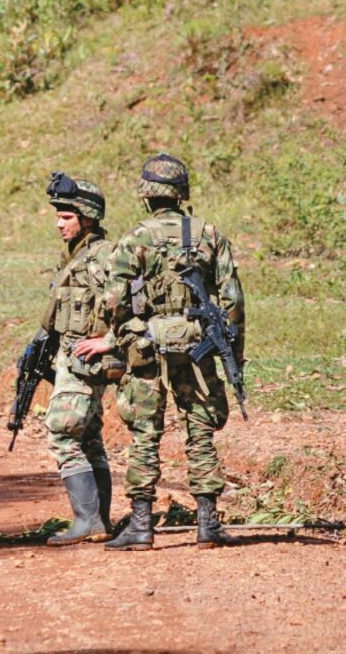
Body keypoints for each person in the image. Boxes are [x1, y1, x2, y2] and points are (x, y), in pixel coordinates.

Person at [77, 153, 246, 551]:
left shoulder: (135, 238)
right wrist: (234, 353)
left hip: (147, 347)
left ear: (147, 195)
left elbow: (112, 299)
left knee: (145, 434)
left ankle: (140, 525)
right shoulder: (209, 234)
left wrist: (126, 333)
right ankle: (208, 523)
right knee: (201, 431)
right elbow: (233, 301)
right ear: (182, 194)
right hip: (197, 346)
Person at [36, 173, 117, 546]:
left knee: (61, 432)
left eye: (66, 217)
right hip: (71, 355)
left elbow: (133, 308)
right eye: (58, 215)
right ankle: (97, 519)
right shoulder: (75, 255)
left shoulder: (102, 257)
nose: (58, 224)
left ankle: (88, 520)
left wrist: (108, 341)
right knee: (88, 437)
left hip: (85, 358)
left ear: (87, 217)